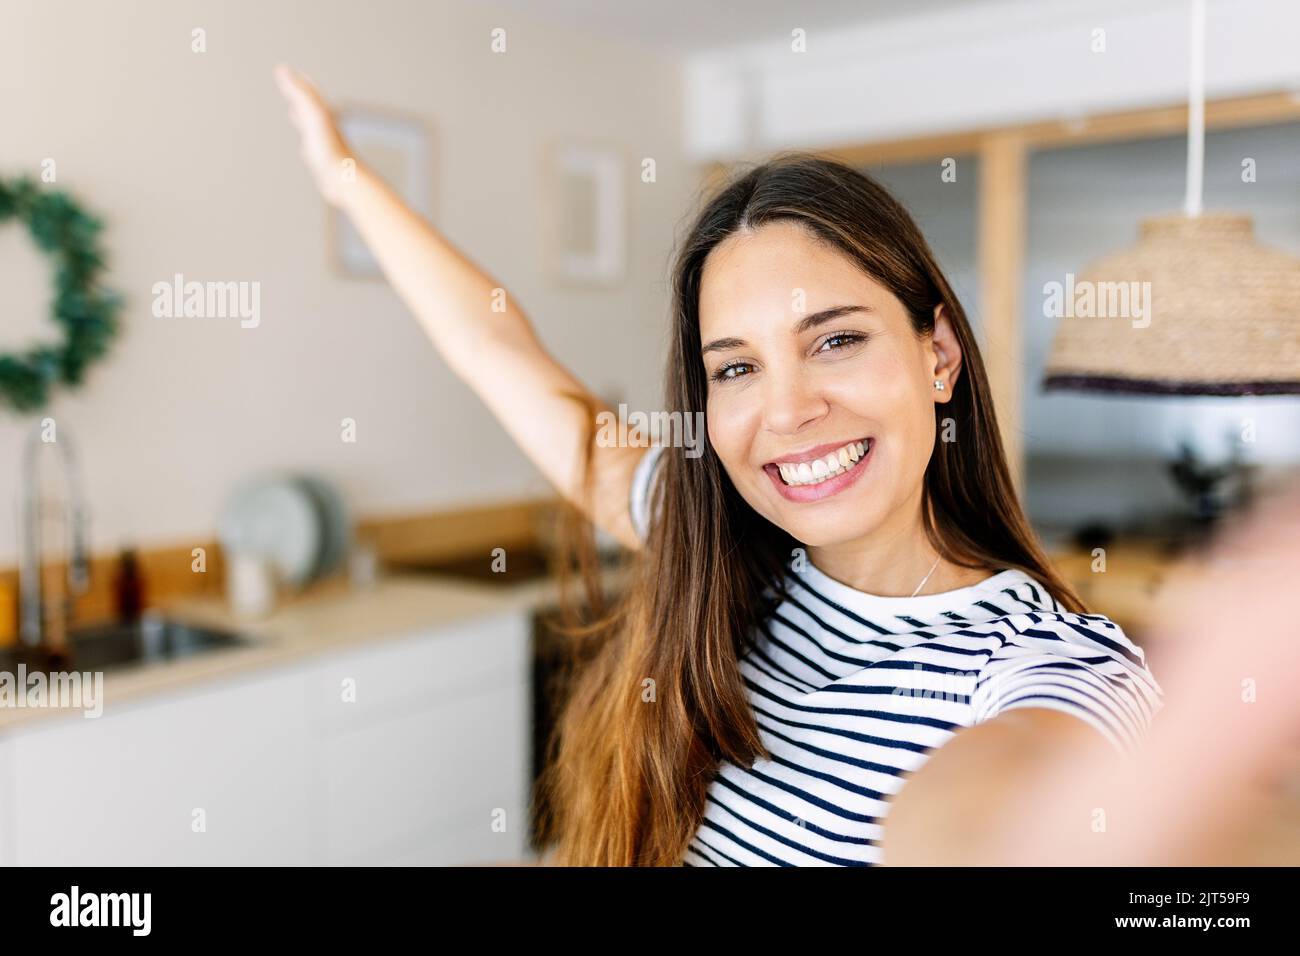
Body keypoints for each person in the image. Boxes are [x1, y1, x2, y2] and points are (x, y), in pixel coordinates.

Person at [274, 64, 1299, 866]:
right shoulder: (728, 556)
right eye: (736, 366)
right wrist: (347, 184)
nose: (788, 410)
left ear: (936, 356)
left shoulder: (1038, 667)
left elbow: (1004, 823)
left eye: (836, 339)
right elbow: (507, 359)